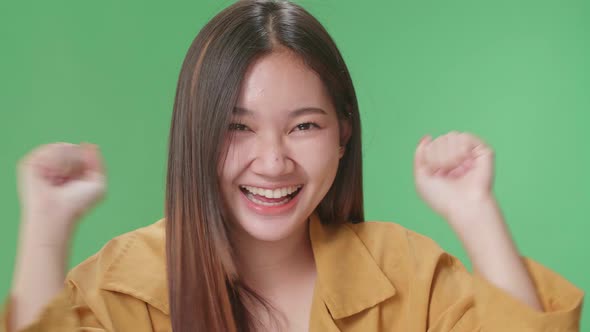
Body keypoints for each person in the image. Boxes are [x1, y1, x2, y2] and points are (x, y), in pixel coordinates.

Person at [2, 0, 583, 331]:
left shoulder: (407, 275)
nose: (273, 161)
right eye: (238, 127)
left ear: (343, 134)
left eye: (304, 125)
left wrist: (475, 212)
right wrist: (47, 229)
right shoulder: (121, 288)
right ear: (195, 136)